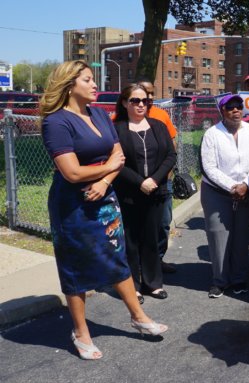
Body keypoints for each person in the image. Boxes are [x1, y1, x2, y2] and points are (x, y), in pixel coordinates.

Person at [40, 61, 167, 360]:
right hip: (72, 205)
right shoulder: (56, 122)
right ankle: (81, 333)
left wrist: (106, 178)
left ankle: (138, 317)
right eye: (88, 80)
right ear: (70, 84)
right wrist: (108, 169)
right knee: (75, 265)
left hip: (105, 197)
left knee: (115, 253)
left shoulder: (98, 113)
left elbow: (117, 153)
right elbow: (70, 172)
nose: (95, 84)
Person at [112, 84, 177, 303]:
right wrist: (140, 182)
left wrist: (154, 180)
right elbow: (116, 163)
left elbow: (170, 155)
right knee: (130, 240)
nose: (141, 105)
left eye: (145, 101)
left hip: (155, 192)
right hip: (129, 193)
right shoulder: (117, 129)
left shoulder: (158, 126)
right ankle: (133, 286)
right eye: (135, 101)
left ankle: (153, 283)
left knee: (151, 237)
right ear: (124, 103)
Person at [200, 94, 249, 298]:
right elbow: (209, 167)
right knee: (219, 235)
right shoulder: (212, 134)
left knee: (241, 236)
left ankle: (238, 277)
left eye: (239, 106)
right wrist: (232, 186)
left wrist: (246, 185)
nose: (236, 110)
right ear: (222, 111)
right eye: (230, 107)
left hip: (247, 191)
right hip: (217, 192)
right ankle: (219, 280)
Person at [136, 79, 179, 275]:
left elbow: (172, 146)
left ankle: (157, 260)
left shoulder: (161, 115)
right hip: (136, 184)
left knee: (162, 224)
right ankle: (137, 265)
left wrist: (166, 175)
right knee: (138, 225)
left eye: (152, 93)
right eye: (146, 93)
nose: (150, 97)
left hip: (163, 182)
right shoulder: (123, 117)